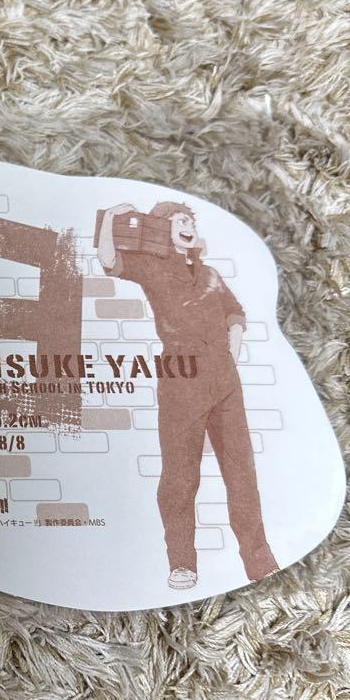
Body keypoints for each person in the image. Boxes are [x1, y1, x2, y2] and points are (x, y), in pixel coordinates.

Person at [96, 201, 278, 590]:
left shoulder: (210, 274)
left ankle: (260, 562)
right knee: (180, 477)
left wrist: (231, 349)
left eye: (190, 220)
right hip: (181, 379)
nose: (188, 225)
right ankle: (182, 564)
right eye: (179, 220)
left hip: (224, 381)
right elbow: (109, 260)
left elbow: (234, 311)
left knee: (242, 475)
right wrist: (110, 218)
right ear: (163, 228)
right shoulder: (151, 266)